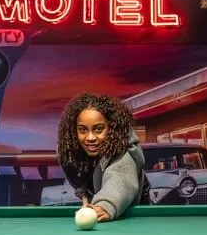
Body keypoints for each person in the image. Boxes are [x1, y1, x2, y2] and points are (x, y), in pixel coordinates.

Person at [57, 92, 150, 222]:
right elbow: (80, 181)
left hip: (135, 217)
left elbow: (120, 179)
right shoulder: (72, 151)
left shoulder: (123, 152)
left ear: (111, 128)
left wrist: (105, 205)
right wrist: (85, 196)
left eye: (98, 129)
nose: (90, 137)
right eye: (83, 130)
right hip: (105, 214)